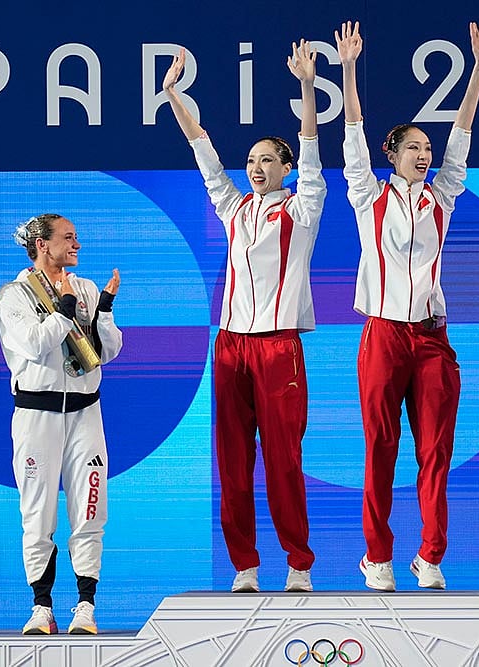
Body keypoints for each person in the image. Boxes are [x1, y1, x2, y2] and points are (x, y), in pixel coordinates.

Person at [161, 40, 325, 594]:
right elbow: (203, 149)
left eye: (267, 161)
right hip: (230, 346)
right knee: (233, 463)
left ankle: (298, 563)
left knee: (283, 460)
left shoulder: (303, 207)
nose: (256, 168)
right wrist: (172, 94)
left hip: (279, 348)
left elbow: (310, 147)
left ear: (286, 169)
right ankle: (245, 566)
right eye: (251, 161)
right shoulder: (233, 207)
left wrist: (306, 85)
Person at [336, 20, 479, 591]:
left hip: (429, 339)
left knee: (435, 449)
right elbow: (352, 133)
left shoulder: (442, 197)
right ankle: (377, 556)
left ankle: (430, 555)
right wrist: (349, 68)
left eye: (428, 148)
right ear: (392, 154)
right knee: (380, 448)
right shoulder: (366, 195)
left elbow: (463, 132)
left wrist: (478, 70)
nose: (425, 155)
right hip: (381, 335)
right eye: (414, 148)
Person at [0, 214, 122, 635]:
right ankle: (41, 607)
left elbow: (107, 353)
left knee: (90, 507)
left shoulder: (85, 287)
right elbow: (34, 345)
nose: (77, 245)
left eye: (76, 237)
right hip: (37, 415)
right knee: (38, 513)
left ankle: (86, 606)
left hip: (86, 412)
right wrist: (65, 309)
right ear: (42, 244)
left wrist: (104, 311)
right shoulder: (14, 295)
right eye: (68, 238)